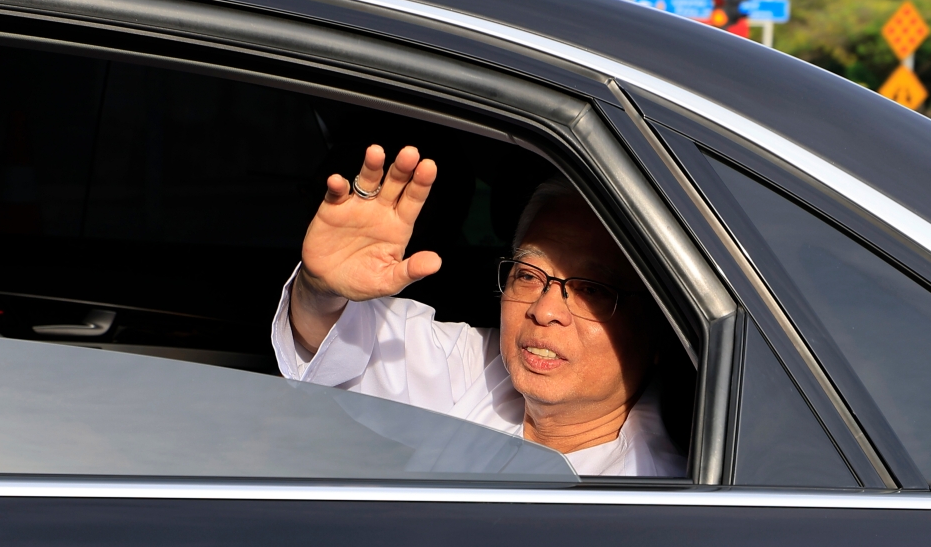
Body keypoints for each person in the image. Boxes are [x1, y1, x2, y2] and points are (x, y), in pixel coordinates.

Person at [272, 145, 686, 477]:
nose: (544, 310)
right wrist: (320, 288)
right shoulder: (481, 370)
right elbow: (338, 341)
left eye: (591, 290)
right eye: (528, 275)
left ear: (659, 332)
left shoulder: (651, 489)